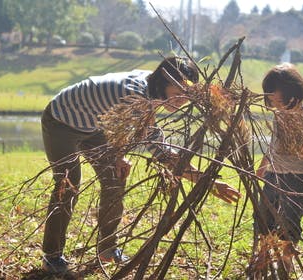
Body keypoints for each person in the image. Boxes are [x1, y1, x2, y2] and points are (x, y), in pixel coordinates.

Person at [40, 56, 241, 274]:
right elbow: (160, 150)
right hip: (62, 119)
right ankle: (52, 256)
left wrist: (118, 155)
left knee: (115, 179)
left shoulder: (151, 89)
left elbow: (120, 126)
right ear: (164, 81)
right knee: (68, 185)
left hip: (97, 124)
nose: (183, 99)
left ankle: (107, 249)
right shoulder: (136, 95)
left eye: (187, 94)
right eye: (179, 92)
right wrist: (205, 182)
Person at [255, 63, 303, 271]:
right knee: (264, 217)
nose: (274, 102)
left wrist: (293, 131)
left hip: (296, 178)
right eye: (271, 98)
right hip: (274, 176)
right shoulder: (278, 115)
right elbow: (272, 146)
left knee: (290, 221)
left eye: (277, 98)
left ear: (293, 93)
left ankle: (286, 260)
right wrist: (262, 167)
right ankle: (262, 256)